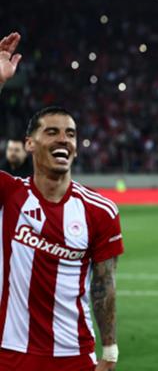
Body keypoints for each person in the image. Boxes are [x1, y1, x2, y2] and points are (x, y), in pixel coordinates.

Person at [0, 32, 123, 371]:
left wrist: (110, 351)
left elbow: (104, 285)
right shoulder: (8, 194)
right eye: (51, 132)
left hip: (75, 357)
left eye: (70, 134)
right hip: (10, 354)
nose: (63, 139)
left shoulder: (100, 211)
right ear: (30, 143)